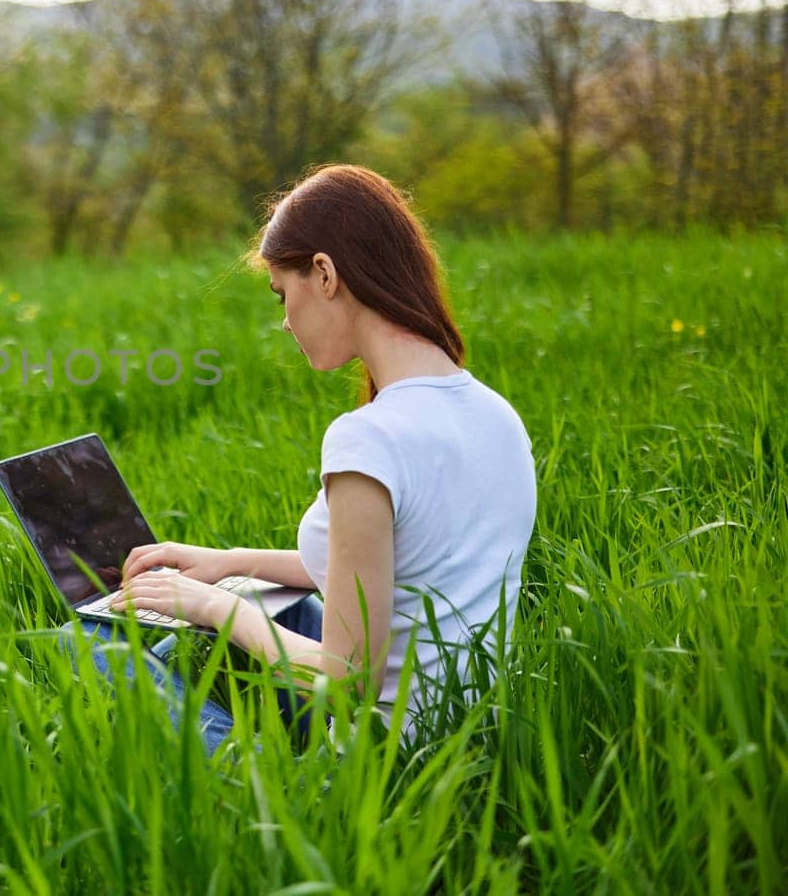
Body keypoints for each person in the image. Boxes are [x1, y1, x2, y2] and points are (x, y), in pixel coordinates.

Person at [67, 164, 537, 753]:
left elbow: (348, 680)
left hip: (375, 766)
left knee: (84, 644)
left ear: (324, 273)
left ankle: (249, 793)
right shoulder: (494, 415)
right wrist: (227, 562)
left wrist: (211, 605)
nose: (286, 320)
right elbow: (409, 560)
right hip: (467, 736)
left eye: (283, 294)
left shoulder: (370, 439)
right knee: (270, 612)